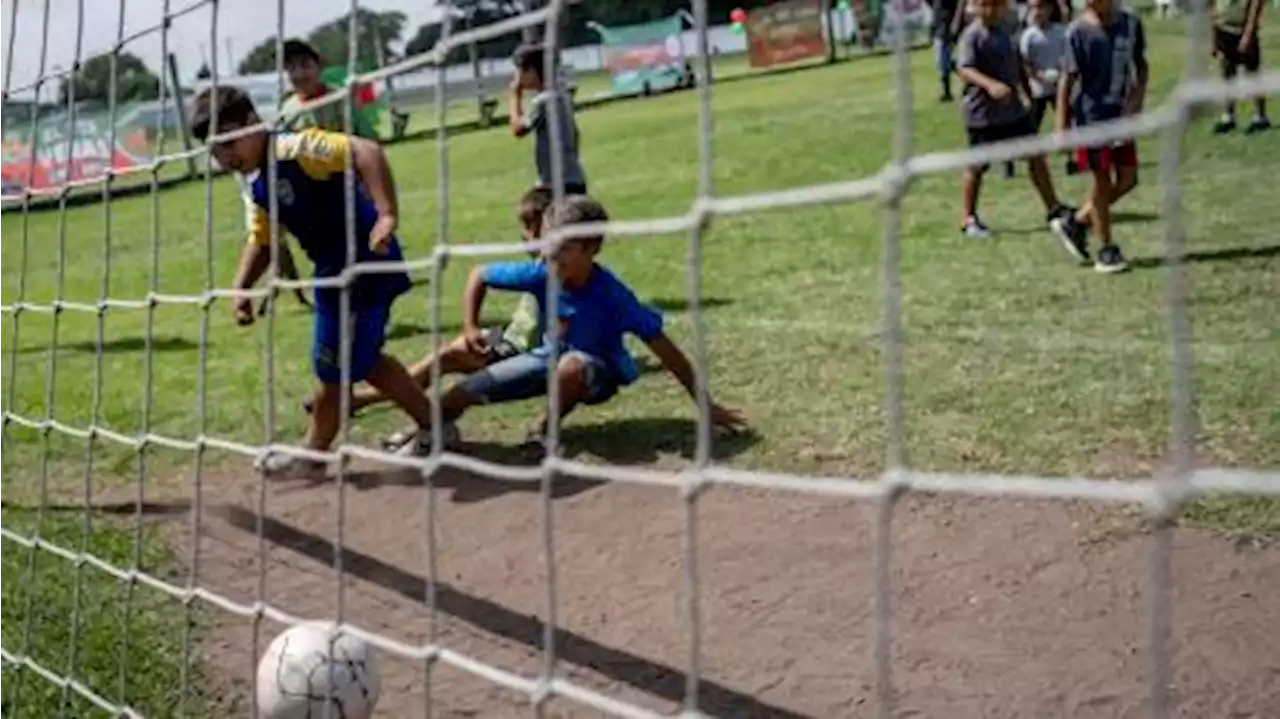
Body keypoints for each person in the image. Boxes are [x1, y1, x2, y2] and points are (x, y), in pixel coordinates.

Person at [188, 86, 436, 478]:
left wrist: (386, 214)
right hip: (331, 274)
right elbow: (264, 241)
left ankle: (315, 455)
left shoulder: (296, 148)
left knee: (334, 366)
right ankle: (434, 428)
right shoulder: (259, 185)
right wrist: (242, 290)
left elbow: (365, 151)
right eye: (216, 151)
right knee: (363, 361)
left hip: (364, 266)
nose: (225, 157)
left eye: (230, 143)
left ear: (254, 124)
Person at [396, 195, 746, 457]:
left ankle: (545, 431)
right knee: (458, 395)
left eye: (565, 246)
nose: (552, 252)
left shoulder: (613, 296)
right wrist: (471, 326)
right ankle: (426, 433)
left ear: (593, 248)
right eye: (549, 241)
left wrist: (705, 404)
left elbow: (666, 350)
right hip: (544, 360)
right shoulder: (541, 273)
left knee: (571, 365)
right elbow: (479, 275)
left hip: (597, 374)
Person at [346, 185, 553, 419]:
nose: (524, 237)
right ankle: (364, 399)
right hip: (510, 338)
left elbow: (480, 275)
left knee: (447, 362)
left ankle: (370, 402)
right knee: (446, 355)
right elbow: (478, 275)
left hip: (528, 353)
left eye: (529, 229)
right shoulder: (539, 266)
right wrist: (471, 327)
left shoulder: (550, 270)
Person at [244, 39, 382, 317]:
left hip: (345, 188)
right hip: (307, 198)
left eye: (305, 65)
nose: (299, 73)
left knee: (357, 245)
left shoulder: (339, 99)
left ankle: (364, 296)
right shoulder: (288, 111)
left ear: (319, 66)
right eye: (291, 68)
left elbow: (366, 140)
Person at [954, 0, 1075, 239]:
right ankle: (968, 218)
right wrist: (990, 85)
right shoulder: (972, 36)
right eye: (984, 5)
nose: (990, 10)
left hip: (1012, 111)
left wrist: (1026, 94)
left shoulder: (1006, 31)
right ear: (976, 8)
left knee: (1036, 155)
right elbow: (965, 68)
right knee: (977, 166)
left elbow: (1017, 64)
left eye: (995, 5)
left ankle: (1053, 207)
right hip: (983, 115)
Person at [1050, 0, 1148, 273]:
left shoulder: (1131, 23)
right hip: (1091, 118)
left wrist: (1136, 101)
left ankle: (1078, 222)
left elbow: (1141, 65)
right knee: (1101, 182)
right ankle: (1106, 249)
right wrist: (1061, 127)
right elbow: (1066, 81)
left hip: (1121, 116)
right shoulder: (1077, 32)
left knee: (1128, 179)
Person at [508, 43, 589, 195]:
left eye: (519, 71)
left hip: (557, 184)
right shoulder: (562, 96)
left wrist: (515, 95)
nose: (517, 77)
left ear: (531, 71)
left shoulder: (544, 101)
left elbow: (517, 129)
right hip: (574, 178)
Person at [1212, 0, 1269, 134]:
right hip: (1223, 28)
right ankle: (1228, 116)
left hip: (1243, 28)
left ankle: (1260, 117)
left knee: (1252, 73)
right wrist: (1213, 34)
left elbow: (1257, 4)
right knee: (1227, 73)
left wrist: (1248, 33)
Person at [1020, 0, 1066, 133]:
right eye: (1033, 8)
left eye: (1041, 7)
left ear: (1050, 9)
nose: (1037, 12)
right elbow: (1025, 63)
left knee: (1065, 119)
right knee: (1032, 124)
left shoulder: (1060, 32)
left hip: (1058, 87)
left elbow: (1066, 56)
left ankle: (1068, 148)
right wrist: (1038, 74)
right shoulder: (1029, 36)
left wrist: (1061, 74)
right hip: (1037, 89)